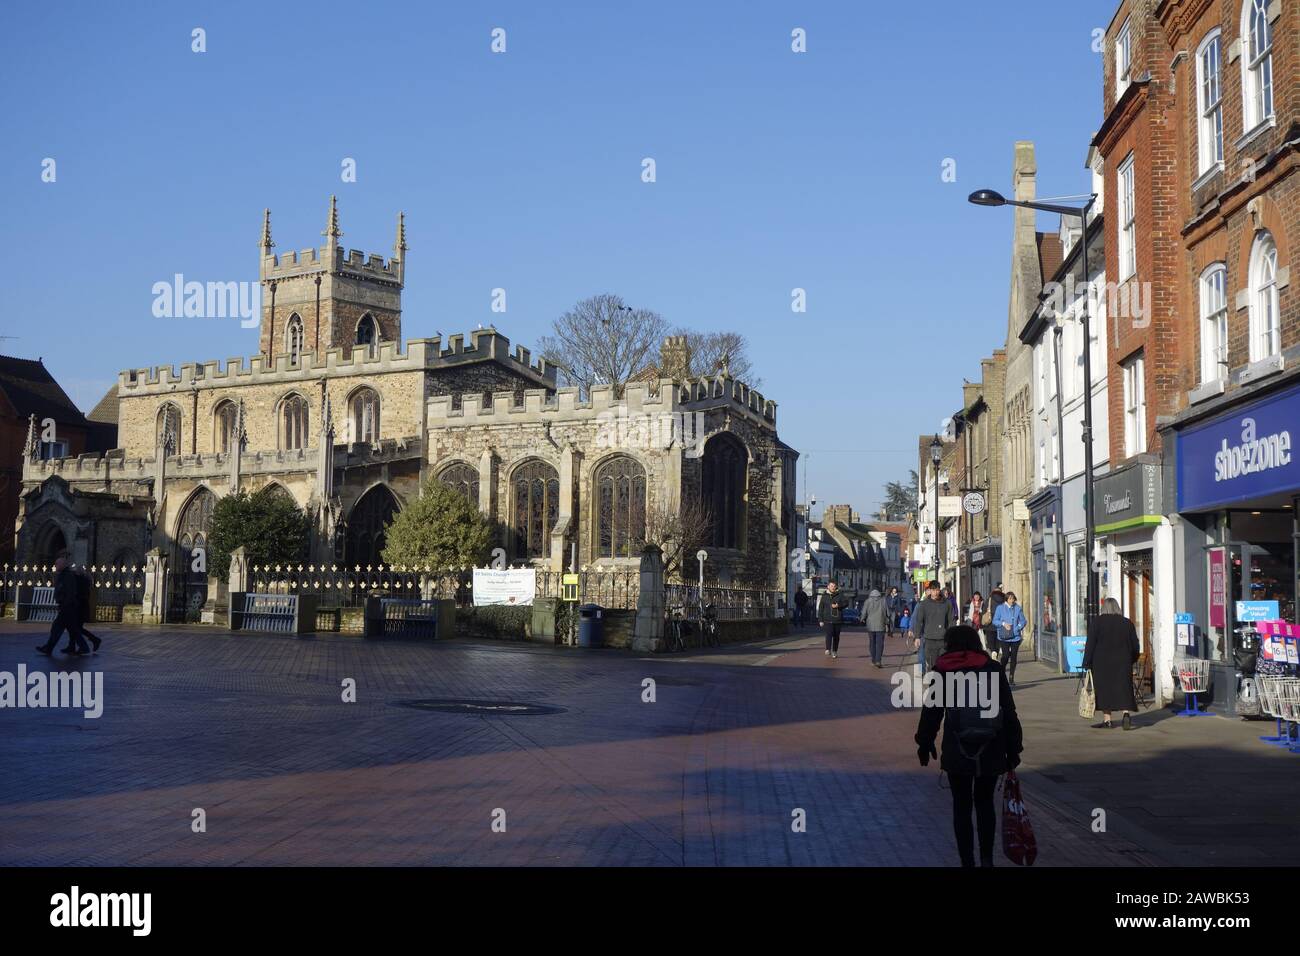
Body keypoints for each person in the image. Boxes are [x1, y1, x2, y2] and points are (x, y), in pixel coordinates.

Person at [916, 624, 1023, 867]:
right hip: (991, 746)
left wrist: (925, 742)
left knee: (961, 805)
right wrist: (1014, 747)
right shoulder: (993, 669)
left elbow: (931, 712)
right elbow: (1008, 712)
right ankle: (987, 858)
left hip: (957, 747)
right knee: (985, 803)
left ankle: (967, 861)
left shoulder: (943, 671)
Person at [1082, 597, 1140, 730]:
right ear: (1118, 608)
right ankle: (1126, 714)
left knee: (1104, 690)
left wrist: (1087, 662)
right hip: (1123, 662)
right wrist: (1132, 659)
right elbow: (1135, 646)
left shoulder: (1097, 623)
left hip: (1101, 663)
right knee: (1124, 688)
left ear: (1104, 609)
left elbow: (1090, 644)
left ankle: (1107, 720)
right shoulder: (1127, 623)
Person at [35, 552, 89, 656]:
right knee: (72, 629)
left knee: (58, 627)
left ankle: (49, 648)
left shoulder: (67, 576)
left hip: (67, 607)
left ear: (63, 565)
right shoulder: (64, 575)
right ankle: (84, 647)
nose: (55, 566)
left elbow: (70, 591)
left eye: (57, 564)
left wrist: (65, 604)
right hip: (67, 607)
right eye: (55, 564)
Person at [908, 580, 953, 672]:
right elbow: (919, 621)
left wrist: (951, 635)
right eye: (933, 590)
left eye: (937, 590)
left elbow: (950, 621)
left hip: (942, 638)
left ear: (939, 590)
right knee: (931, 662)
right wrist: (917, 637)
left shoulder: (947, 604)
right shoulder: (924, 604)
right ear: (929, 590)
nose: (935, 593)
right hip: (929, 638)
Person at [992, 591, 1026, 684]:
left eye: (1013, 598)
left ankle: (1011, 677)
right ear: (1006, 599)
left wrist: (1017, 628)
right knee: (1006, 656)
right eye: (1010, 598)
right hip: (1004, 637)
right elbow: (995, 621)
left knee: (1014, 658)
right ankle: (1002, 673)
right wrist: (1003, 624)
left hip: (1015, 637)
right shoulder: (1000, 608)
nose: (1012, 600)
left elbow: (1023, 621)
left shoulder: (1018, 608)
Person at [818, 581, 851, 660]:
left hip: (837, 620)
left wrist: (838, 605)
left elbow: (846, 603)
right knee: (829, 634)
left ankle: (834, 651)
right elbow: (820, 609)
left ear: (836, 587)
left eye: (834, 586)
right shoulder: (824, 596)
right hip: (827, 619)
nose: (833, 587)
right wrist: (820, 620)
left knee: (836, 636)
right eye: (831, 586)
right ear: (828, 586)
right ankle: (828, 649)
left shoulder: (840, 595)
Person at [75, 564, 102, 653]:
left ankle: (94, 640)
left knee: (76, 628)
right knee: (75, 628)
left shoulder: (82, 581)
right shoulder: (85, 580)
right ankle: (93, 640)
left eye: (76, 571)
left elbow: (80, 596)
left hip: (80, 609)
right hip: (81, 608)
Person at [863, 588, 889, 668]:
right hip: (881, 625)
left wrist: (862, 618)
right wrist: (887, 621)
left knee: (872, 643)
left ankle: (873, 659)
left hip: (870, 625)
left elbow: (864, 612)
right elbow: (887, 612)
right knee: (880, 643)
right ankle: (878, 660)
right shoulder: (883, 601)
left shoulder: (867, 601)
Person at [985, 586, 1006, 656]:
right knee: (998, 639)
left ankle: (993, 650)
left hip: (990, 623)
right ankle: (996, 650)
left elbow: (984, 610)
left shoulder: (989, 600)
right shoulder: (1004, 600)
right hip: (1000, 623)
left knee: (990, 638)